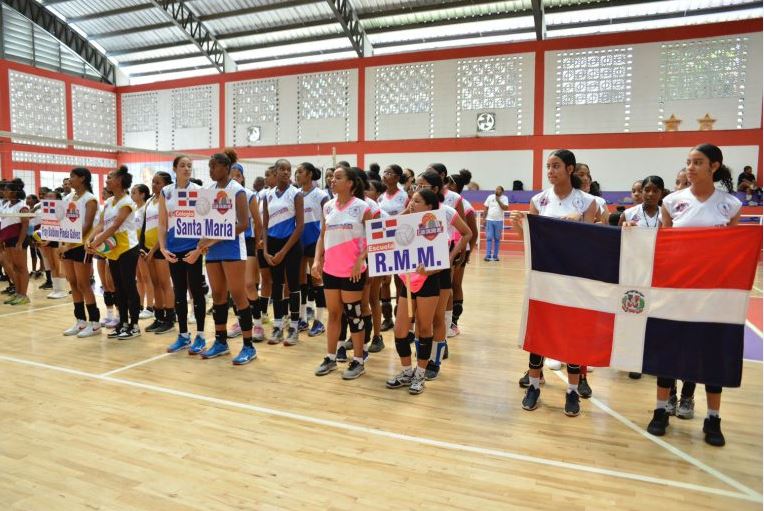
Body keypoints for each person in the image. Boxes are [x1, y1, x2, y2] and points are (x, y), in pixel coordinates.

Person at [646, 144, 742, 447]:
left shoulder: (730, 205)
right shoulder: (672, 202)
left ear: (714, 166)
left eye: (697, 162)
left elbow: (734, 253)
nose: (690, 167)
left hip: (713, 296)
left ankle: (713, 417)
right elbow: (664, 249)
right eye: (688, 162)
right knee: (668, 350)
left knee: (712, 352)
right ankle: (661, 410)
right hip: (677, 293)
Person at [511, 149, 597, 416]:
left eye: (556, 166)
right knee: (539, 331)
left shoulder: (587, 202)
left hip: (574, 277)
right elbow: (532, 241)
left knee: (571, 333)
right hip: (543, 276)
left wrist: (580, 222)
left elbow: (592, 242)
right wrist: (519, 227)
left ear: (570, 169)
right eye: (548, 166)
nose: (550, 171)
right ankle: (534, 386)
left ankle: (572, 392)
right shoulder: (539, 200)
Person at [386, 187, 469, 394]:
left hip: (428, 281)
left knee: (425, 328)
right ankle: (406, 371)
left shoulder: (435, 225)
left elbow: (440, 261)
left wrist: (430, 270)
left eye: (417, 201)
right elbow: (386, 234)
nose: (412, 204)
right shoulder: (404, 223)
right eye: (411, 200)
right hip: (406, 281)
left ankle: (420, 375)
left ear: (430, 206)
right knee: (400, 329)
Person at [192, 153, 258, 365]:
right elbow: (204, 223)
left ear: (226, 168)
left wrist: (212, 240)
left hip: (231, 249)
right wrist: (202, 242)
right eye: (209, 166)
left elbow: (243, 225)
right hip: (213, 251)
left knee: (238, 295)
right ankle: (221, 342)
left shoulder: (237, 191)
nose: (211, 170)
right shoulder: (208, 191)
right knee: (218, 295)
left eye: (214, 166)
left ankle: (249, 346)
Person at [312, 166, 371, 380]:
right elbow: (321, 236)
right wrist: (317, 260)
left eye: (338, 178)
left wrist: (361, 259)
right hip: (331, 269)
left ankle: (358, 361)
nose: (332, 180)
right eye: (331, 177)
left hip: (353, 271)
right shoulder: (327, 207)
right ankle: (330, 357)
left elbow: (376, 237)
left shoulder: (363, 207)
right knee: (334, 314)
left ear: (350, 183)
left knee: (354, 315)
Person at [158, 155, 207, 354]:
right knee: (178, 292)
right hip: (172, 249)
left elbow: (206, 222)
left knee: (196, 291)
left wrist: (199, 249)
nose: (187, 169)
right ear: (174, 168)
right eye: (183, 166)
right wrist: (162, 247)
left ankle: (201, 336)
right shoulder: (166, 192)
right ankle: (183, 335)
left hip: (192, 248)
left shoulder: (198, 191)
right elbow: (162, 223)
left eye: (189, 166)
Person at [87, 166, 141, 340]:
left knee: (129, 286)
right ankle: (122, 322)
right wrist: (89, 239)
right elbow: (101, 225)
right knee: (118, 287)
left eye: (110, 178)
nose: (107, 180)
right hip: (113, 250)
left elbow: (115, 225)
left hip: (127, 248)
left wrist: (96, 243)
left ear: (119, 181)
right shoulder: (109, 202)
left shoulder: (127, 202)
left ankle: (134, 325)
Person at [263, 159, 304, 346]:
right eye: (282, 169)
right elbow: (264, 225)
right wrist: (265, 250)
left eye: (289, 169)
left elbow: (300, 225)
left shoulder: (296, 194)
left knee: (293, 285)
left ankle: (294, 327)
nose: (286, 172)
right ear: (276, 171)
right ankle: (278, 325)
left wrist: (283, 251)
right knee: (276, 285)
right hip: (272, 243)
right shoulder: (268, 195)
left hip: (291, 244)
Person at [226, 155, 265, 342]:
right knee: (235, 287)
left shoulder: (249, 195)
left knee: (249, 284)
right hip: (227, 242)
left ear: (242, 177)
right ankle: (241, 322)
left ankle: (257, 324)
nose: (234, 178)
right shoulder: (221, 195)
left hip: (247, 241)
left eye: (238, 175)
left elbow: (258, 222)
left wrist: (258, 242)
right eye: (231, 175)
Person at [60, 168, 101, 336]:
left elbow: (87, 226)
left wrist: (69, 244)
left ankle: (95, 323)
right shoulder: (68, 198)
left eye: (72, 177)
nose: (69, 180)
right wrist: (61, 242)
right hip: (68, 244)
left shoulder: (90, 199)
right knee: (72, 282)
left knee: (83, 283)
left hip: (81, 246)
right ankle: (80, 321)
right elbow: (63, 221)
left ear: (82, 178)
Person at [296, 162, 329, 337]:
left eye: (300, 172)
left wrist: (323, 242)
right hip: (299, 241)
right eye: (297, 172)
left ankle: (320, 320)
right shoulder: (296, 194)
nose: (297, 175)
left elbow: (327, 220)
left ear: (309, 174)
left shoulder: (321, 195)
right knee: (301, 280)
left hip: (314, 240)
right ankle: (302, 318)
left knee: (317, 280)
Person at [140, 172, 175, 335]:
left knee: (164, 283)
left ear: (166, 185)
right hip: (147, 248)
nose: (154, 185)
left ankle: (169, 319)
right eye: (153, 182)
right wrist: (143, 248)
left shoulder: (168, 200)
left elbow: (166, 227)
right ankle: (159, 317)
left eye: (158, 183)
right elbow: (145, 225)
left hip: (162, 247)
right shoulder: (149, 201)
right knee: (154, 284)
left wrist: (154, 250)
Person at [378, 164, 409, 331]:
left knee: (399, 280)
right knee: (384, 280)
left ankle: (400, 316)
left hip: (400, 241)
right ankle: (387, 317)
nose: (385, 175)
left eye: (389, 173)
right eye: (384, 172)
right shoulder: (381, 197)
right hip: (384, 241)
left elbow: (410, 215)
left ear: (397, 178)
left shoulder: (404, 196)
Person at [447, 170, 478, 334]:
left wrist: (467, 253)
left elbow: (474, 233)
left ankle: (454, 322)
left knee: (455, 285)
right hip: (448, 247)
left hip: (459, 250)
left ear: (453, 185)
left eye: (447, 182)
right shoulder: (447, 202)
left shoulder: (466, 206)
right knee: (447, 286)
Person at [0, 178, 30, 305]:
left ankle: (24, 295)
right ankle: (18, 293)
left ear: (13, 192)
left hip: (18, 239)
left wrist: (20, 242)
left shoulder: (22, 206)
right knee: (14, 267)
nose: (3, 192)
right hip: (7, 239)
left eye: (6, 190)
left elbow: (25, 225)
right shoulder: (6, 204)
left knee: (21, 267)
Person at [131, 183, 155, 321]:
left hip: (142, 246)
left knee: (147, 277)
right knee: (139, 277)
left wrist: (142, 246)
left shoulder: (146, 208)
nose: (132, 194)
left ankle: (150, 307)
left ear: (142, 194)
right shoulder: (134, 208)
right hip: (133, 245)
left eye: (135, 192)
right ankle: (140, 305)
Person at [483, 185, 509, 261]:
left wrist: (498, 200)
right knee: (489, 238)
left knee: (497, 239)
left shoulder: (505, 198)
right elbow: (486, 208)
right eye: (496, 189)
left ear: (502, 191)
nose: (497, 190)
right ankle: (487, 255)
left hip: (499, 221)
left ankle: (495, 256)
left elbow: (505, 208)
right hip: (489, 220)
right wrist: (484, 219)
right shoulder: (490, 197)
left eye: (499, 189)